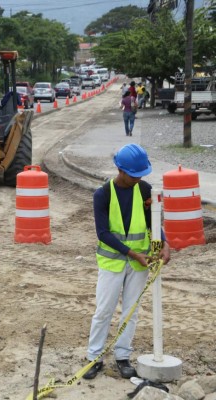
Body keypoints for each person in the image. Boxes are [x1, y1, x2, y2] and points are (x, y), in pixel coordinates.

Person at [83, 143, 171, 380]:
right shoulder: (102, 194)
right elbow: (103, 233)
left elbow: (153, 221)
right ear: (120, 170)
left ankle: (123, 357)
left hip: (139, 264)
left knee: (131, 312)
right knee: (104, 311)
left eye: (141, 174)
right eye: (134, 175)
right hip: (113, 263)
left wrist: (163, 242)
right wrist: (133, 254)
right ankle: (94, 357)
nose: (138, 178)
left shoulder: (144, 190)